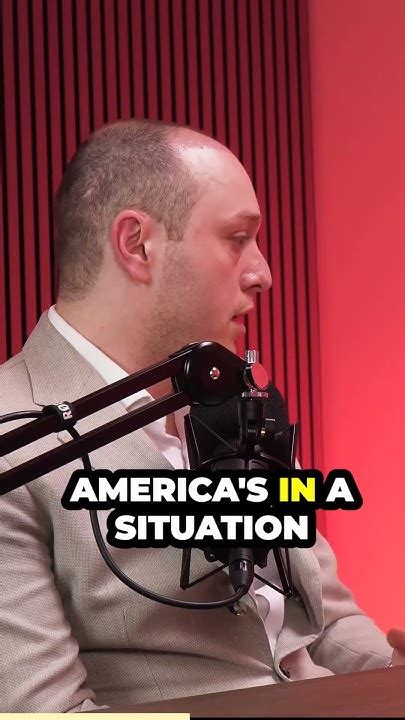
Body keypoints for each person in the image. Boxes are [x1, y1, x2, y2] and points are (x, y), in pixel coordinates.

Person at [0, 119, 403, 712]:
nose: (263, 274)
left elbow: (325, 623)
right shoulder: (14, 445)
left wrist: (393, 672)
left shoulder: (240, 406)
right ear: (137, 246)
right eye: (238, 238)